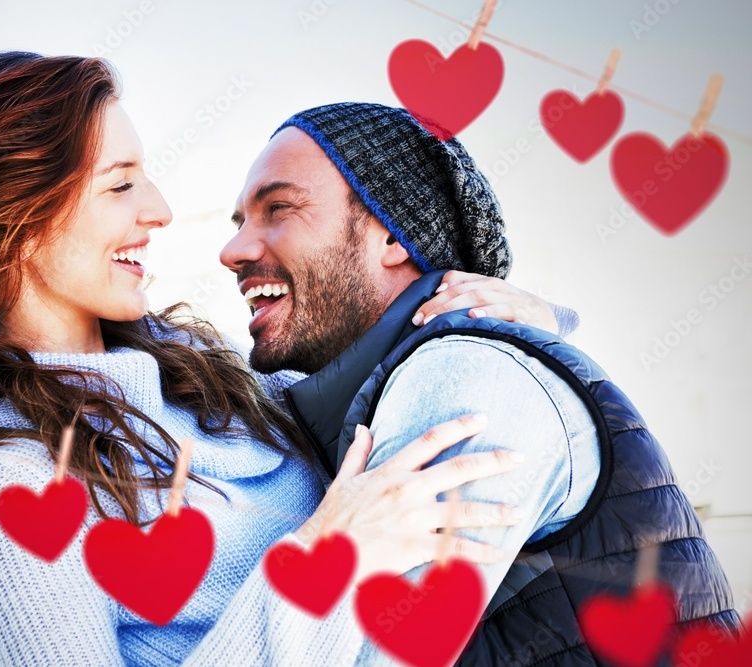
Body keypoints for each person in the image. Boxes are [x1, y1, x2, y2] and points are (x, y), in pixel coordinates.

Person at [0, 53, 564, 666]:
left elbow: (373, 363)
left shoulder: (193, 364)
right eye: (119, 184)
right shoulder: (7, 481)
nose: (159, 209)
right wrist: (326, 559)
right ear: (11, 218)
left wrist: (524, 314)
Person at [221, 101, 741, 665]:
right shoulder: (365, 401)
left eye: (279, 208)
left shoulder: (463, 375)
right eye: (240, 223)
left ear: (392, 236)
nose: (232, 252)